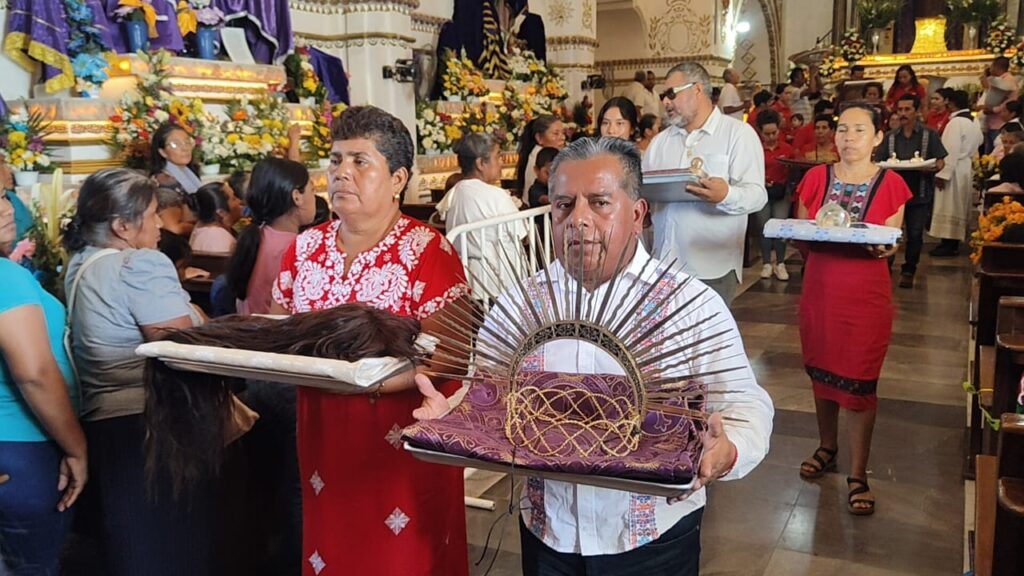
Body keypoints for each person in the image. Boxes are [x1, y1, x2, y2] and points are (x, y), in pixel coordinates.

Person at [469, 136, 773, 576]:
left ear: (636, 214)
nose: (579, 221)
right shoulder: (521, 305)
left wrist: (728, 450)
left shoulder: (691, 307)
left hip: (654, 539)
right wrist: (462, 411)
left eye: (599, 203)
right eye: (563, 206)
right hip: (547, 529)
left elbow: (746, 405)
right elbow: (488, 391)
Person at [270, 106, 470, 576]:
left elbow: (451, 352)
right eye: (336, 160)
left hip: (402, 444)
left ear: (398, 178)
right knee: (332, 551)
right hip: (323, 436)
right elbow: (277, 330)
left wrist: (365, 379)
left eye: (360, 161)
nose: (341, 173)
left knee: (401, 560)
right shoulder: (304, 249)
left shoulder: (427, 250)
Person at [63, 168, 210, 576]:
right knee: (166, 546)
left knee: (131, 542)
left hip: (103, 421)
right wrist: (200, 317)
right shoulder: (139, 264)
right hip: (148, 423)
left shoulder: (82, 264)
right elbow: (180, 347)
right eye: (151, 213)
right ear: (122, 226)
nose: (161, 223)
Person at [795, 103, 913, 516]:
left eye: (859, 130)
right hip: (821, 289)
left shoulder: (892, 183)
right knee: (821, 370)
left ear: (878, 137)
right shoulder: (816, 177)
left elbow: (891, 238)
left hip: (865, 295)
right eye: (842, 129)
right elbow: (801, 231)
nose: (847, 137)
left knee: (860, 382)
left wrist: (886, 246)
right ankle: (827, 445)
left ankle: (858, 473)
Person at [0, 188, 88, 575]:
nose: (6, 209)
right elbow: (34, 372)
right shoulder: (5, 277)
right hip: (22, 447)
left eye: (3, 195)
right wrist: (77, 448)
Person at [642, 61, 767, 304]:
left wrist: (726, 195)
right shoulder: (660, 142)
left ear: (697, 90)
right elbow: (646, 189)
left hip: (712, 267)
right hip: (663, 264)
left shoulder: (737, 134)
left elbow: (757, 195)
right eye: (662, 96)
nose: (665, 102)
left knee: (708, 341)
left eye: (671, 94)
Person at [437, 132, 527, 302]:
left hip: (470, 281)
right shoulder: (495, 195)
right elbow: (523, 236)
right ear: (480, 163)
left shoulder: (455, 192)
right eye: (498, 156)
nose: (501, 162)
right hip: (500, 283)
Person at [873, 94, 947, 289]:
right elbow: (877, 162)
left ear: (917, 111)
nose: (903, 114)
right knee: (890, 231)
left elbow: (940, 160)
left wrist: (931, 168)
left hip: (919, 191)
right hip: (893, 195)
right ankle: (885, 267)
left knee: (914, 234)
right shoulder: (889, 137)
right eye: (900, 110)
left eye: (908, 110)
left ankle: (909, 270)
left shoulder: (929, 135)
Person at [228, 158, 316, 316]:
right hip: (277, 336)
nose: (314, 197)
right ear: (297, 197)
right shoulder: (298, 248)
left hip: (250, 331)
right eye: (312, 190)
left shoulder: (257, 233)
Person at [930, 89, 984, 257]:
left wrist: (942, 174)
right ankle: (952, 243)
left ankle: (948, 243)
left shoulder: (956, 122)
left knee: (950, 206)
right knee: (958, 206)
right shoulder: (973, 120)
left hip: (953, 168)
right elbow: (980, 141)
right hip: (964, 166)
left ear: (950, 102)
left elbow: (949, 150)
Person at [754, 109, 794, 280]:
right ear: (760, 133)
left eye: (774, 132)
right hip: (761, 193)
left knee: (780, 228)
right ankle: (766, 263)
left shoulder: (787, 149)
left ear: (779, 130)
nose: (771, 137)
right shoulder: (755, 150)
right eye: (766, 133)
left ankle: (780, 263)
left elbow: (794, 172)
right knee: (764, 228)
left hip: (781, 193)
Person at [516, 115, 566, 203]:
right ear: (539, 138)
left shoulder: (552, 154)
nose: (563, 138)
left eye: (563, 133)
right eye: (556, 133)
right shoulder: (538, 156)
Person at [189, 182, 243, 254]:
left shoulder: (200, 226)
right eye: (234, 198)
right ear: (221, 212)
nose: (240, 201)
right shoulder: (219, 238)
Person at [981, 56, 1020, 153]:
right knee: (988, 154)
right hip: (992, 122)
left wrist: (993, 110)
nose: (990, 69)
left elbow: (1009, 101)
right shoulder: (998, 80)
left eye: (992, 66)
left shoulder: (1008, 80)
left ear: (996, 67)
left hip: (999, 123)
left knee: (996, 152)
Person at [150, 122, 203, 195]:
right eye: (175, 144)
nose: (185, 148)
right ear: (163, 152)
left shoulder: (191, 171)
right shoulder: (162, 181)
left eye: (187, 142)